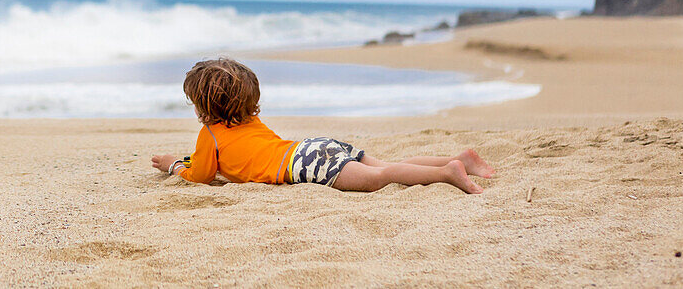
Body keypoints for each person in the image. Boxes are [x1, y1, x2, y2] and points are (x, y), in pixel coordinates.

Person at [151, 58, 493, 193]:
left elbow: (202, 175)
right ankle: (460, 160)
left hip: (303, 165)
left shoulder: (209, 135)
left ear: (202, 105)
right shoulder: (252, 121)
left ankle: (449, 173)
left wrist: (175, 165)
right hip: (313, 147)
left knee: (380, 178)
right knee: (388, 165)